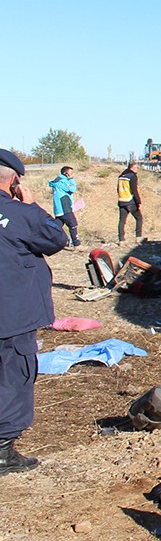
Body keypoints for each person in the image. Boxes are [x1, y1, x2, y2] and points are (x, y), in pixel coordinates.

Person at [0, 149, 68, 474]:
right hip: (12, 318)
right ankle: (3, 452)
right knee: (14, 377)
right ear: (13, 181)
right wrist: (32, 205)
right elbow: (57, 238)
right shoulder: (19, 214)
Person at [48, 166, 80, 247]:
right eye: (71, 173)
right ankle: (76, 244)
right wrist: (72, 180)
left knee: (56, 227)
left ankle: (50, 242)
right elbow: (72, 189)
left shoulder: (57, 181)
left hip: (59, 209)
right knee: (73, 225)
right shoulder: (63, 182)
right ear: (66, 173)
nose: (72, 174)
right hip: (65, 208)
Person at [117, 161, 143, 242]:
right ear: (132, 168)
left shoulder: (121, 176)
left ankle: (121, 240)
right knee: (139, 218)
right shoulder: (132, 176)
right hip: (130, 201)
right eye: (136, 168)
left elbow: (117, 189)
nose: (137, 170)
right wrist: (138, 202)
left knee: (122, 221)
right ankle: (138, 237)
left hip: (121, 200)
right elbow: (134, 190)